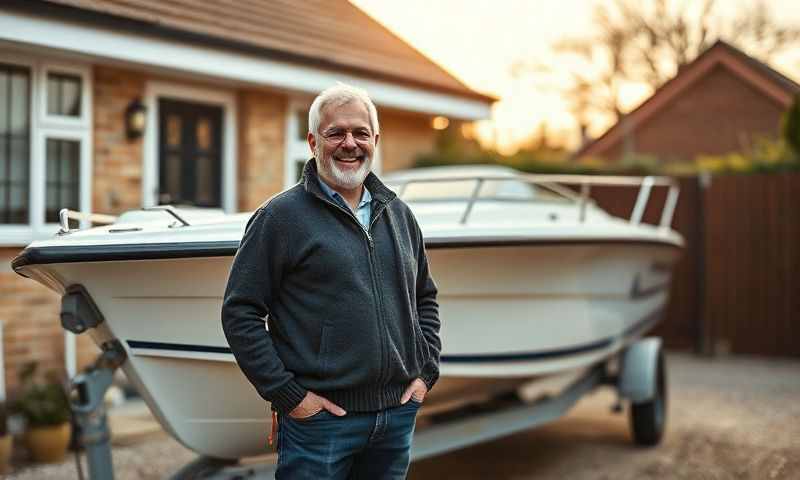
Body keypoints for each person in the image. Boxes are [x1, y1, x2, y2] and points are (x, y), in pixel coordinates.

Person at [221, 83, 441, 479]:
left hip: (395, 419)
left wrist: (426, 373)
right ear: (312, 141)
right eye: (335, 132)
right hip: (320, 425)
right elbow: (240, 312)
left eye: (360, 133)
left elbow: (424, 297)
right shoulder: (280, 217)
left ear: (375, 139)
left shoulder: (400, 215)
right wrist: (290, 397)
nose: (349, 143)